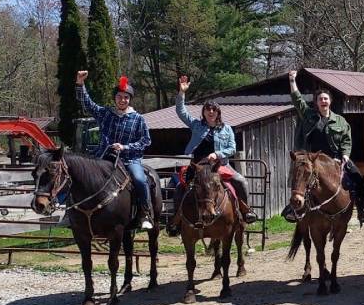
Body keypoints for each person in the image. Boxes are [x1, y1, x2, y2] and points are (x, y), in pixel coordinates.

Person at [167, 75, 258, 236]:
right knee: (181, 188)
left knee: (241, 181)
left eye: (213, 109)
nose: (210, 111)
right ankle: (176, 220)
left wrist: (217, 154)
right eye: (207, 109)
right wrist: (182, 93)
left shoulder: (227, 129)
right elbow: (181, 111)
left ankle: (246, 211)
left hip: (219, 166)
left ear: (218, 113)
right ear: (203, 112)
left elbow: (232, 148)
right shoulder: (196, 125)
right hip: (196, 166)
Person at [286, 70, 364, 224]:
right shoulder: (309, 115)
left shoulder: (340, 121)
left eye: (326, 99)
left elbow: (347, 140)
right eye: (320, 99)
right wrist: (292, 81)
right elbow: (297, 100)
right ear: (316, 102)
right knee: (299, 176)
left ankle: (361, 209)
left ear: (330, 102)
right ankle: (292, 209)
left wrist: (345, 155)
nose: (323, 101)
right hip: (313, 159)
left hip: (335, 158)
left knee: (357, 177)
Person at [74, 71, 154, 231]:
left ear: (130, 99)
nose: (122, 100)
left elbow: (146, 140)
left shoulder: (138, 119)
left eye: (126, 97)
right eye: (119, 97)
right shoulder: (105, 114)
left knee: (139, 180)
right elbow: (88, 104)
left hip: (129, 159)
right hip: (104, 157)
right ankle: (72, 212)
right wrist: (80, 84)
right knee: (80, 175)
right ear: (115, 98)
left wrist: (126, 147)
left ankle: (145, 213)